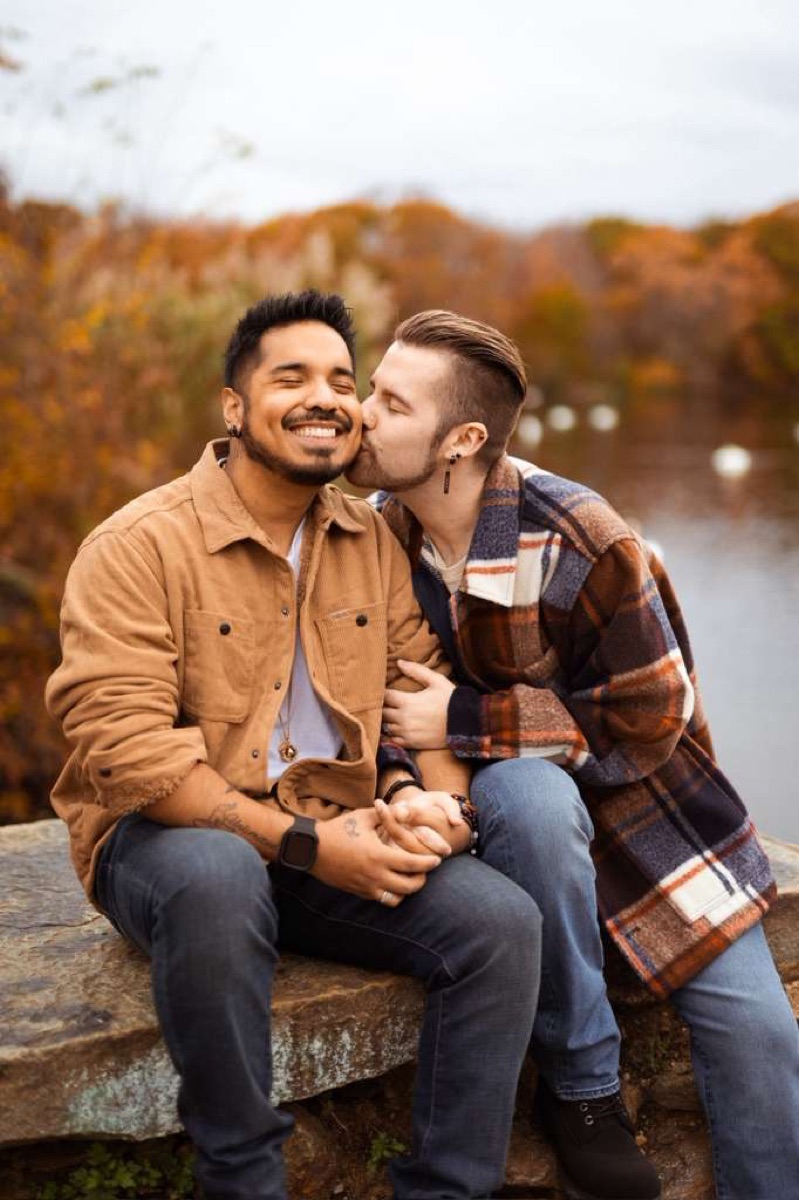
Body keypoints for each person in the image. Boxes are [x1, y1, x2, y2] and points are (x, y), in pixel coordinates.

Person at [45, 291, 544, 1200]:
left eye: (341, 381)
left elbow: (413, 685)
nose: (324, 397)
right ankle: (243, 1179)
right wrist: (313, 847)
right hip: (166, 840)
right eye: (291, 377)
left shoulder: (368, 536)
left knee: (500, 923)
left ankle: (447, 1189)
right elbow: (125, 755)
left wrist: (433, 806)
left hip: (332, 830)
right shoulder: (137, 545)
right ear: (234, 408)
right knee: (215, 876)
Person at [346, 309, 799, 1200]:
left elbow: (650, 715)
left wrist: (466, 718)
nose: (362, 413)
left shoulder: (579, 535)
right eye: (372, 389)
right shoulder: (371, 538)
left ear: (461, 439)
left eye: (390, 403)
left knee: (762, 1034)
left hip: (645, 821)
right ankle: (583, 1092)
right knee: (524, 792)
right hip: (478, 825)